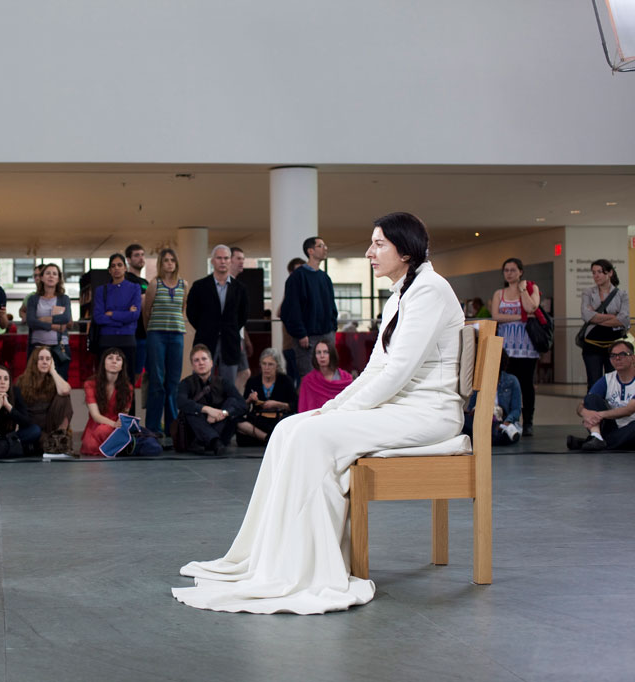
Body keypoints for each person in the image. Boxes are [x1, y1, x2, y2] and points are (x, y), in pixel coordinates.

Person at [173, 212, 465, 615]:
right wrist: (331, 407)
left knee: (312, 434)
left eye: (379, 244)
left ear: (407, 250)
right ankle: (271, 557)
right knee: (290, 428)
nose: (369, 252)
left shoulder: (430, 289)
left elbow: (398, 373)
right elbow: (377, 369)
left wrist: (334, 415)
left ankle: (309, 567)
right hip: (401, 406)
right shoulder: (403, 293)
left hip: (428, 413)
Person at [491, 257, 542, 437]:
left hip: (526, 346)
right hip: (506, 346)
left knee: (527, 385)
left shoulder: (530, 288)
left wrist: (523, 291)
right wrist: (518, 317)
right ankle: (509, 419)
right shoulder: (499, 293)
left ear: (520, 271)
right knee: (506, 383)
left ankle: (528, 421)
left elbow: (531, 307)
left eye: (513, 270)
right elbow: (496, 315)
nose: (510, 273)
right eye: (506, 270)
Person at [186, 245, 249, 386]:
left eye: (226, 258)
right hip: (206, 339)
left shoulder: (240, 288)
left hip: (230, 341)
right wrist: (205, 327)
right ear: (212, 261)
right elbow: (192, 313)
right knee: (199, 383)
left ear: (230, 261)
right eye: (219, 258)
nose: (222, 261)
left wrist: (229, 328)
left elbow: (243, 315)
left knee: (228, 385)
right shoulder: (199, 286)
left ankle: (225, 409)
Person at [280, 236, 338, 380]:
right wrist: (300, 333)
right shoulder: (297, 277)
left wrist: (333, 329)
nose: (325, 248)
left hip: (326, 335)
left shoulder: (325, 278)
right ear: (310, 251)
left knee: (328, 376)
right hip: (307, 338)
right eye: (321, 246)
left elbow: (331, 306)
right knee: (309, 378)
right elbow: (290, 309)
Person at [143, 248, 187, 436]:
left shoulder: (184, 284)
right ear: (160, 264)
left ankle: (172, 428)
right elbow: (146, 312)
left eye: (172, 260)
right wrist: (151, 332)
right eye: (166, 260)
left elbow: (182, 309)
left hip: (176, 335)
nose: (169, 263)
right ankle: (152, 428)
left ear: (176, 263)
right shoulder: (155, 284)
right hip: (156, 335)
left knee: (173, 383)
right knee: (157, 382)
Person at [175, 344, 246, 455]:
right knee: (191, 410)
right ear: (193, 366)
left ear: (212, 363)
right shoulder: (186, 383)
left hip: (218, 430)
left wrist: (223, 413)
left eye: (204, 359)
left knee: (232, 402)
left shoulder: (223, 382)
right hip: (195, 432)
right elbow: (180, 402)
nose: (201, 363)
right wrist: (207, 409)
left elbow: (242, 404)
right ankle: (214, 442)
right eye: (196, 360)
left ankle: (209, 440)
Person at [567, 340, 635, 452]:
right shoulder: (607, 379)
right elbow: (582, 405)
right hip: (612, 427)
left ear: (633, 358)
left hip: (631, 430)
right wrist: (586, 413)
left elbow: (629, 410)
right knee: (591, 398)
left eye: (622, 354)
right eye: (613, 355)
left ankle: (594, 439)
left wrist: (599, 415)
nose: (617, 358)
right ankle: (597, 438)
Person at [578, 259, 629, 389]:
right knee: (594, 383)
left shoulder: (621, 294)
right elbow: (586, 316)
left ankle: (613, 410)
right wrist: (613, 316)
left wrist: (595, 316)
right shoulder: (588, 293)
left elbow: (623, 320)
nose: (596, 276)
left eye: (600, 272)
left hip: (614, 346)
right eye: (594, 272)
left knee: (614, 383)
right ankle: (594, 409)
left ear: (610, 273)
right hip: (592, 346)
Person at [92, 254, 141, 384]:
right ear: (109, 270)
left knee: (127, 380)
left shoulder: (135, 288)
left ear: (125, 268)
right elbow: (98, 317)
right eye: (113, 266)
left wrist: (112, 314)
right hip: (106, 339)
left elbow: (135, 315)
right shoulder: (101, 291)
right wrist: (124, 316)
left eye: (120, 265)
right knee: (105, 381)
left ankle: (127, 406)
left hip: (127, 339)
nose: (116, 268)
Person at [17, 345, 74, 454]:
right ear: (34, 361)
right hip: (33, 425)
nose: (44, 362)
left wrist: (53, 371)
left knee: (64, 397)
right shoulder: (22, 381)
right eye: (41, 358)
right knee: (43, 439)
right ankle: (52, 444)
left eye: (48, 359)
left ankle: (60, 435)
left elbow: (65, 390)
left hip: (49, 422)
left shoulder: (54, 379)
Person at [236, 348, 297, 446]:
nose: (266, 368)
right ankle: (267, 438)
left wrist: (277, 404)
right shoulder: (253, 382)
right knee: (238, 422)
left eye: (270, 364)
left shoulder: (285, 381)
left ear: (277, 366)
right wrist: (249, 400)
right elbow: (243, 408)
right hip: (258, 420)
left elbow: (295, 405)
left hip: (278, 419)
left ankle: (265, 438)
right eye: (264, 364)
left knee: (289, 423)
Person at [80, 348, 133, 456]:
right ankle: (117, 448)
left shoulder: (128, 388)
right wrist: (113, 424)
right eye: (110, 358)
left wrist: (117, 425)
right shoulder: (90, 384)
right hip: (97, 424)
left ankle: (117, 446)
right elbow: (95, 416)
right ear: (103, 363)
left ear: (122, 366)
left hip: (116, 427)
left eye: (118, 359)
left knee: (106, 432)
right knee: (94, 441)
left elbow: (123, 415)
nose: (114, 361)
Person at [464, 351, 522, 446]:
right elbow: (471, 406)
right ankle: (491, 434)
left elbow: (516, 409)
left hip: (502, 420)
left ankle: (491, 434)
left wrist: (507, 421)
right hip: (482, 420)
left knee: (504, 433)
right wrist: (470, 412)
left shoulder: (512, 381)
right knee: (463, 420)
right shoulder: (480, 381)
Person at [26, 263, 72, 378]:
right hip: (37, 348)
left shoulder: (64, 298)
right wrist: (53, 326)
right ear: (41, 277)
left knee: (59, 384)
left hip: (59, 348)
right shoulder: (33, 299)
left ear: (58, 279)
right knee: (36, 385)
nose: (51, 276)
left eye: (54, 274)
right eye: (48, 273)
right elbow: (31, 321)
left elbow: (66, 318)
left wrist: (45, 319)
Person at [297, 338, 354, 413]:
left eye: (326, 352)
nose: (322, 356)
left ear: (332, 354)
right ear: (315, 356)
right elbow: (303, 410)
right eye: (318, 352)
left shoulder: (347, 380)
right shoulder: (308, 381)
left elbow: (351, 406)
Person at [229, 246, 255, 393]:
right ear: (230, 260)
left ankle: (235, 404)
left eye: (243, 259)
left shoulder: (238, 286)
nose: (241, 262)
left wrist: (246, 339)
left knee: (243, 372)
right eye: (238, 259)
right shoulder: (228, 285)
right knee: (238, 373)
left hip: (238, 336)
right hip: (232, 338)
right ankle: (233, 405)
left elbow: (240, 318)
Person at [125, 244, 149, 380]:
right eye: (136, 255)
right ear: (128, 259)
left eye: (142, 254)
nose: (141, 258)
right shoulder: (127, 279)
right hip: (133, 334)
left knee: (145, 375)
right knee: (132, 375)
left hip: (145, 333)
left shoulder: (144, 281)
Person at [281, 257, 305, 381]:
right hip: (291, 344)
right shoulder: (291, 290)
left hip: (299, 344)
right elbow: (281, 312)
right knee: (295, 377)